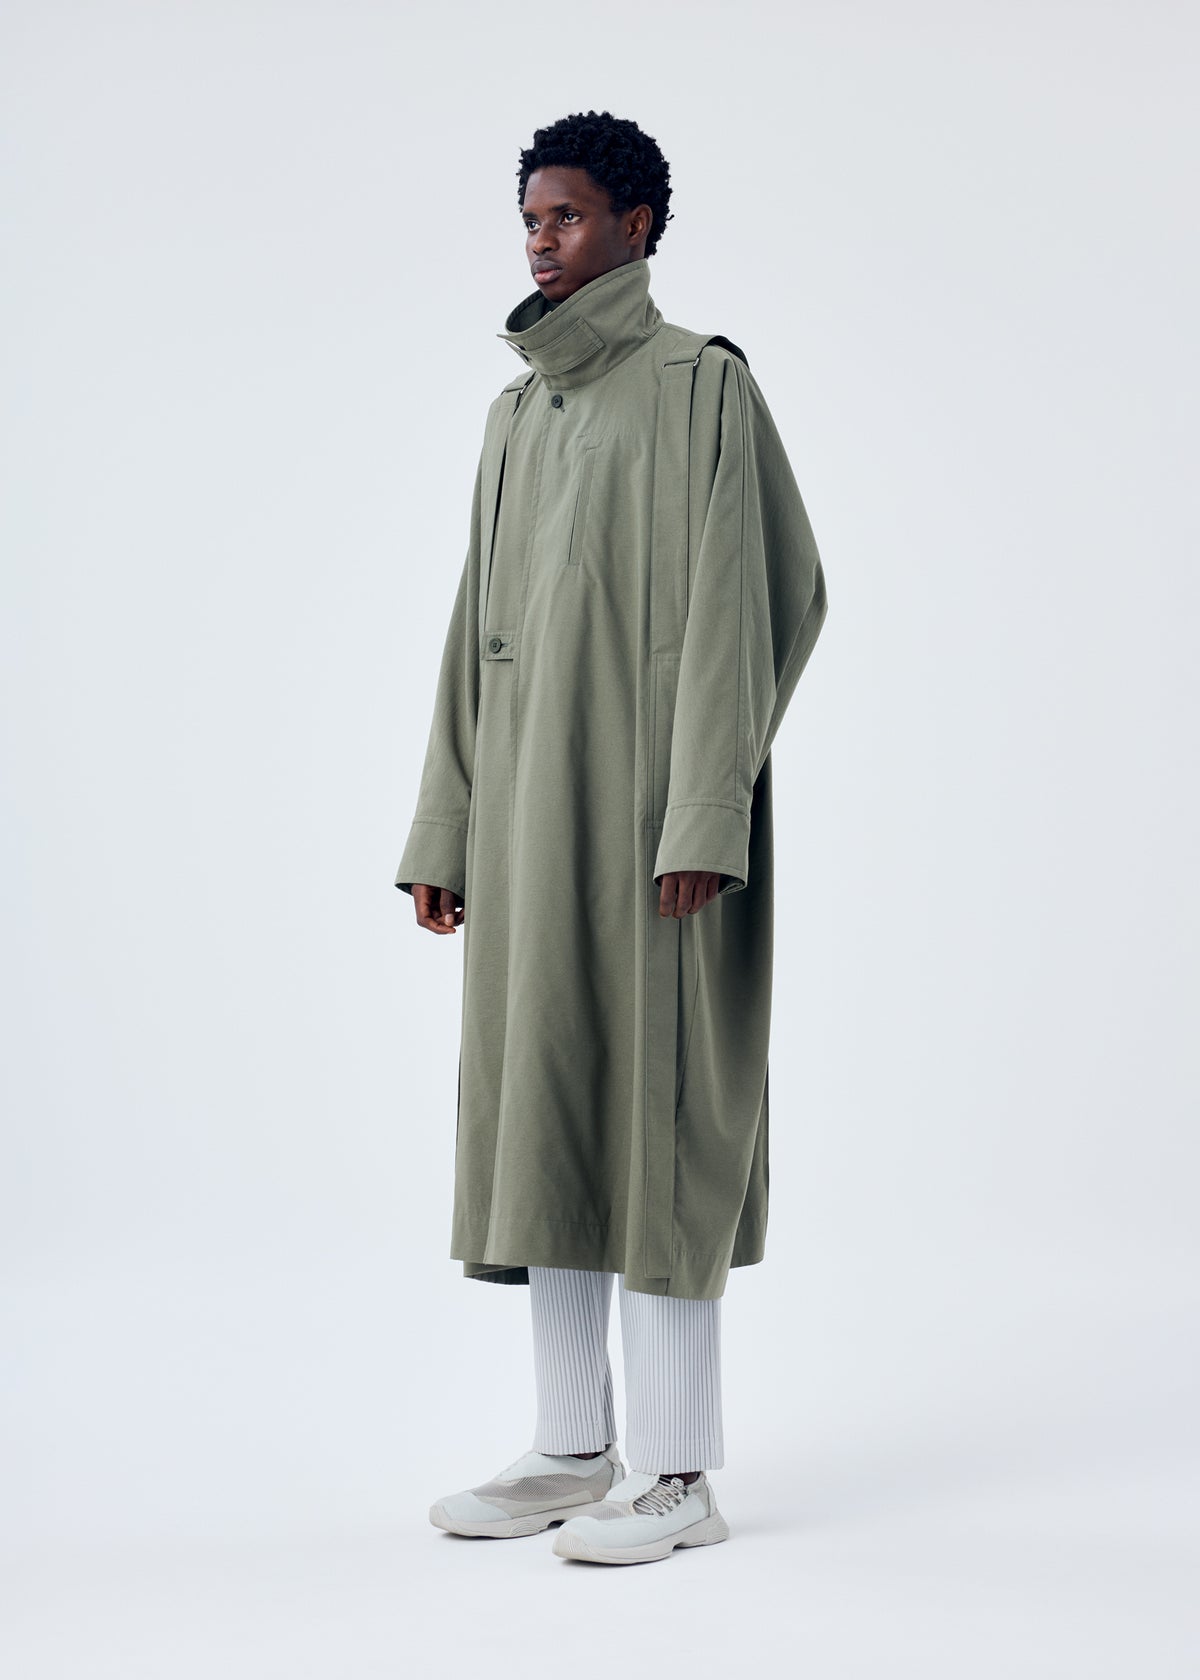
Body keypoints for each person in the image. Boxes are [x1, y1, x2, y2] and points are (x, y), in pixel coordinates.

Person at [394, 110, 829, 1564]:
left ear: (638, 224)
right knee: (550, 1120)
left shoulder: (703, 386)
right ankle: (571, 1447)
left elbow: (759, 602)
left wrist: (705, 808)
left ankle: (681, 1478)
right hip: (528, 820)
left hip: (655, 825)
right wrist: (446, 826)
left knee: (663, 1128)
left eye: (569, 215)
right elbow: (474, 628)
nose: (543, 239)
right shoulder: (515, 414)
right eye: (532, 217)